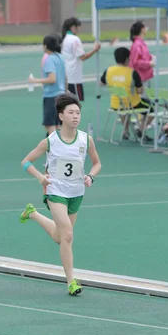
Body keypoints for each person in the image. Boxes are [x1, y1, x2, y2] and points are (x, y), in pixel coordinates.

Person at [19, 94, 102, 296]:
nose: (75, 116)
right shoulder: (51, 141)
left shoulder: (85, 139)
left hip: (76, 193)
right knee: (68, 235)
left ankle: (33, 214)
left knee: (60, 236)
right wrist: (40, 177)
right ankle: (71, 281)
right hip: (55, 192)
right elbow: (26, 162)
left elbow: (97, 163)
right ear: (61, 116)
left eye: (78, 113)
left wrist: (91, 176)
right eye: (71, 113)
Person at [29, 34, 67, 136]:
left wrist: (35, 80)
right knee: (58, 123)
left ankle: (56, 147)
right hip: (61, 94)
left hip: (51, 95)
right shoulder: (61, 58)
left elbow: (52, 79)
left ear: (45, 46)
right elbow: (65, 77)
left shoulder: (49, 59)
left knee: (50, 125)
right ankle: (61, 145)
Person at [61, 17, 101, 101]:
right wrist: (95, 49)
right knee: (75, 103)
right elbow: (82, 57)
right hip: (74, 76)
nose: (79, 29)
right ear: (73, 27)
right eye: (78, 27)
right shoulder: (74, 39)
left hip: (66, 75)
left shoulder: (64, 38)